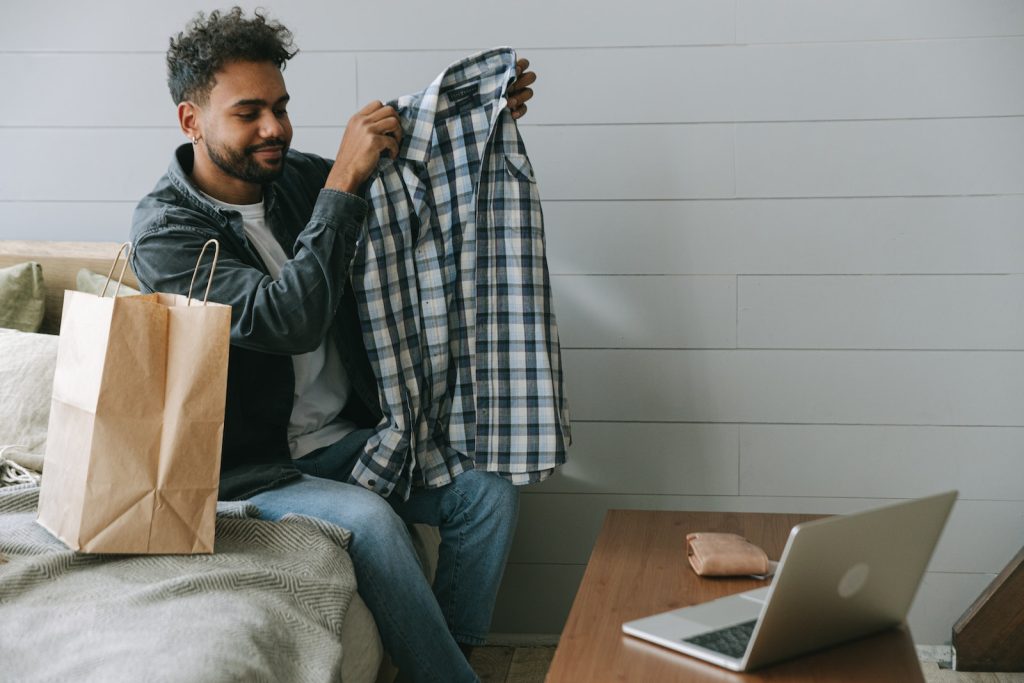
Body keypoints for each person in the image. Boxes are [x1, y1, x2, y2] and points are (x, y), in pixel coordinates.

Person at [129, 7, 537, 682]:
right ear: (191, 120)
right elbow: (285, 319)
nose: (274, 129)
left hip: (343, 439)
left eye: (282, 108)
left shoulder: (289, 179)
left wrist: (480, 113)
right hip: (247, 470)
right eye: (249, 112)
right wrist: (342, 181)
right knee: (371, 523)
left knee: (487, 487)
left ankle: (449, 658)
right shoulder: (165, 232)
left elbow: (405, 163)